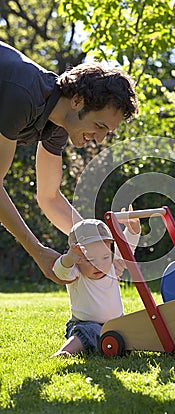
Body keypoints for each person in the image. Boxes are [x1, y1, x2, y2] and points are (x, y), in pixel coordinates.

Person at [0, 41, 138, 284]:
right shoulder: (23, 97)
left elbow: (49, 197)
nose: (99, 139)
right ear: (77, 100)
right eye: (99, 126)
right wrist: (38, 251)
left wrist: (98, 246)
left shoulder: (58, 124)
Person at [51, 208, 140, 357]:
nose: (98, 264)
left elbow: (127, 248)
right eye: (90, 260)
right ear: (77, 259)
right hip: (85, 324)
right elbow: (60, 271)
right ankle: (65, 351)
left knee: (132, 328)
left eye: (105, 257)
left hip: (115, 325)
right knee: (88, 332)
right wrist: (68, 259)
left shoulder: (112, 266)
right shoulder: (76, 272)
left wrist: (133, 231)